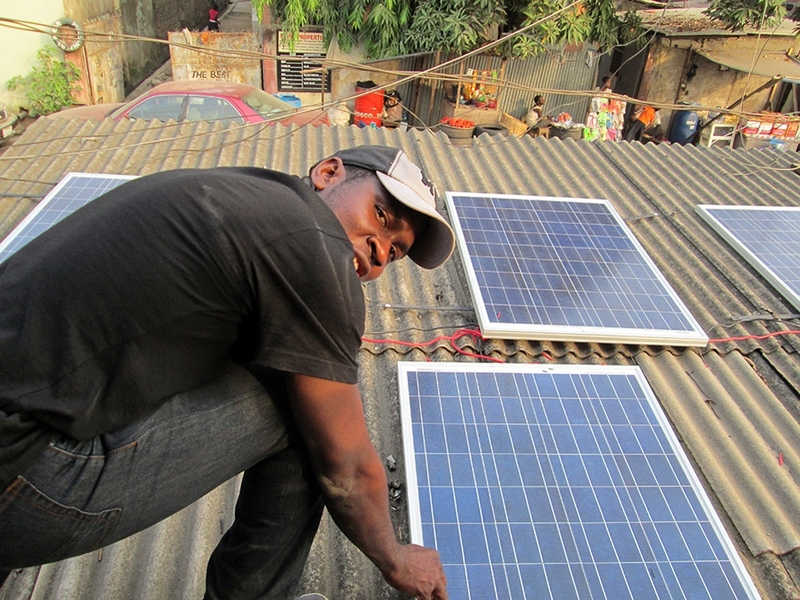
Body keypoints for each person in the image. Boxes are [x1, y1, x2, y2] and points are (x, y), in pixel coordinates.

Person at [0, 145, 453, 600]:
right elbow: (348, 468)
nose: (378, 251)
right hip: (24, 476)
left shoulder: (242, 197)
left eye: (394, 253)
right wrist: (396, 559)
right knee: (307, 415)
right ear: (328, 172)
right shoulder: (313, 248)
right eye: (380, 214)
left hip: (17, 430)